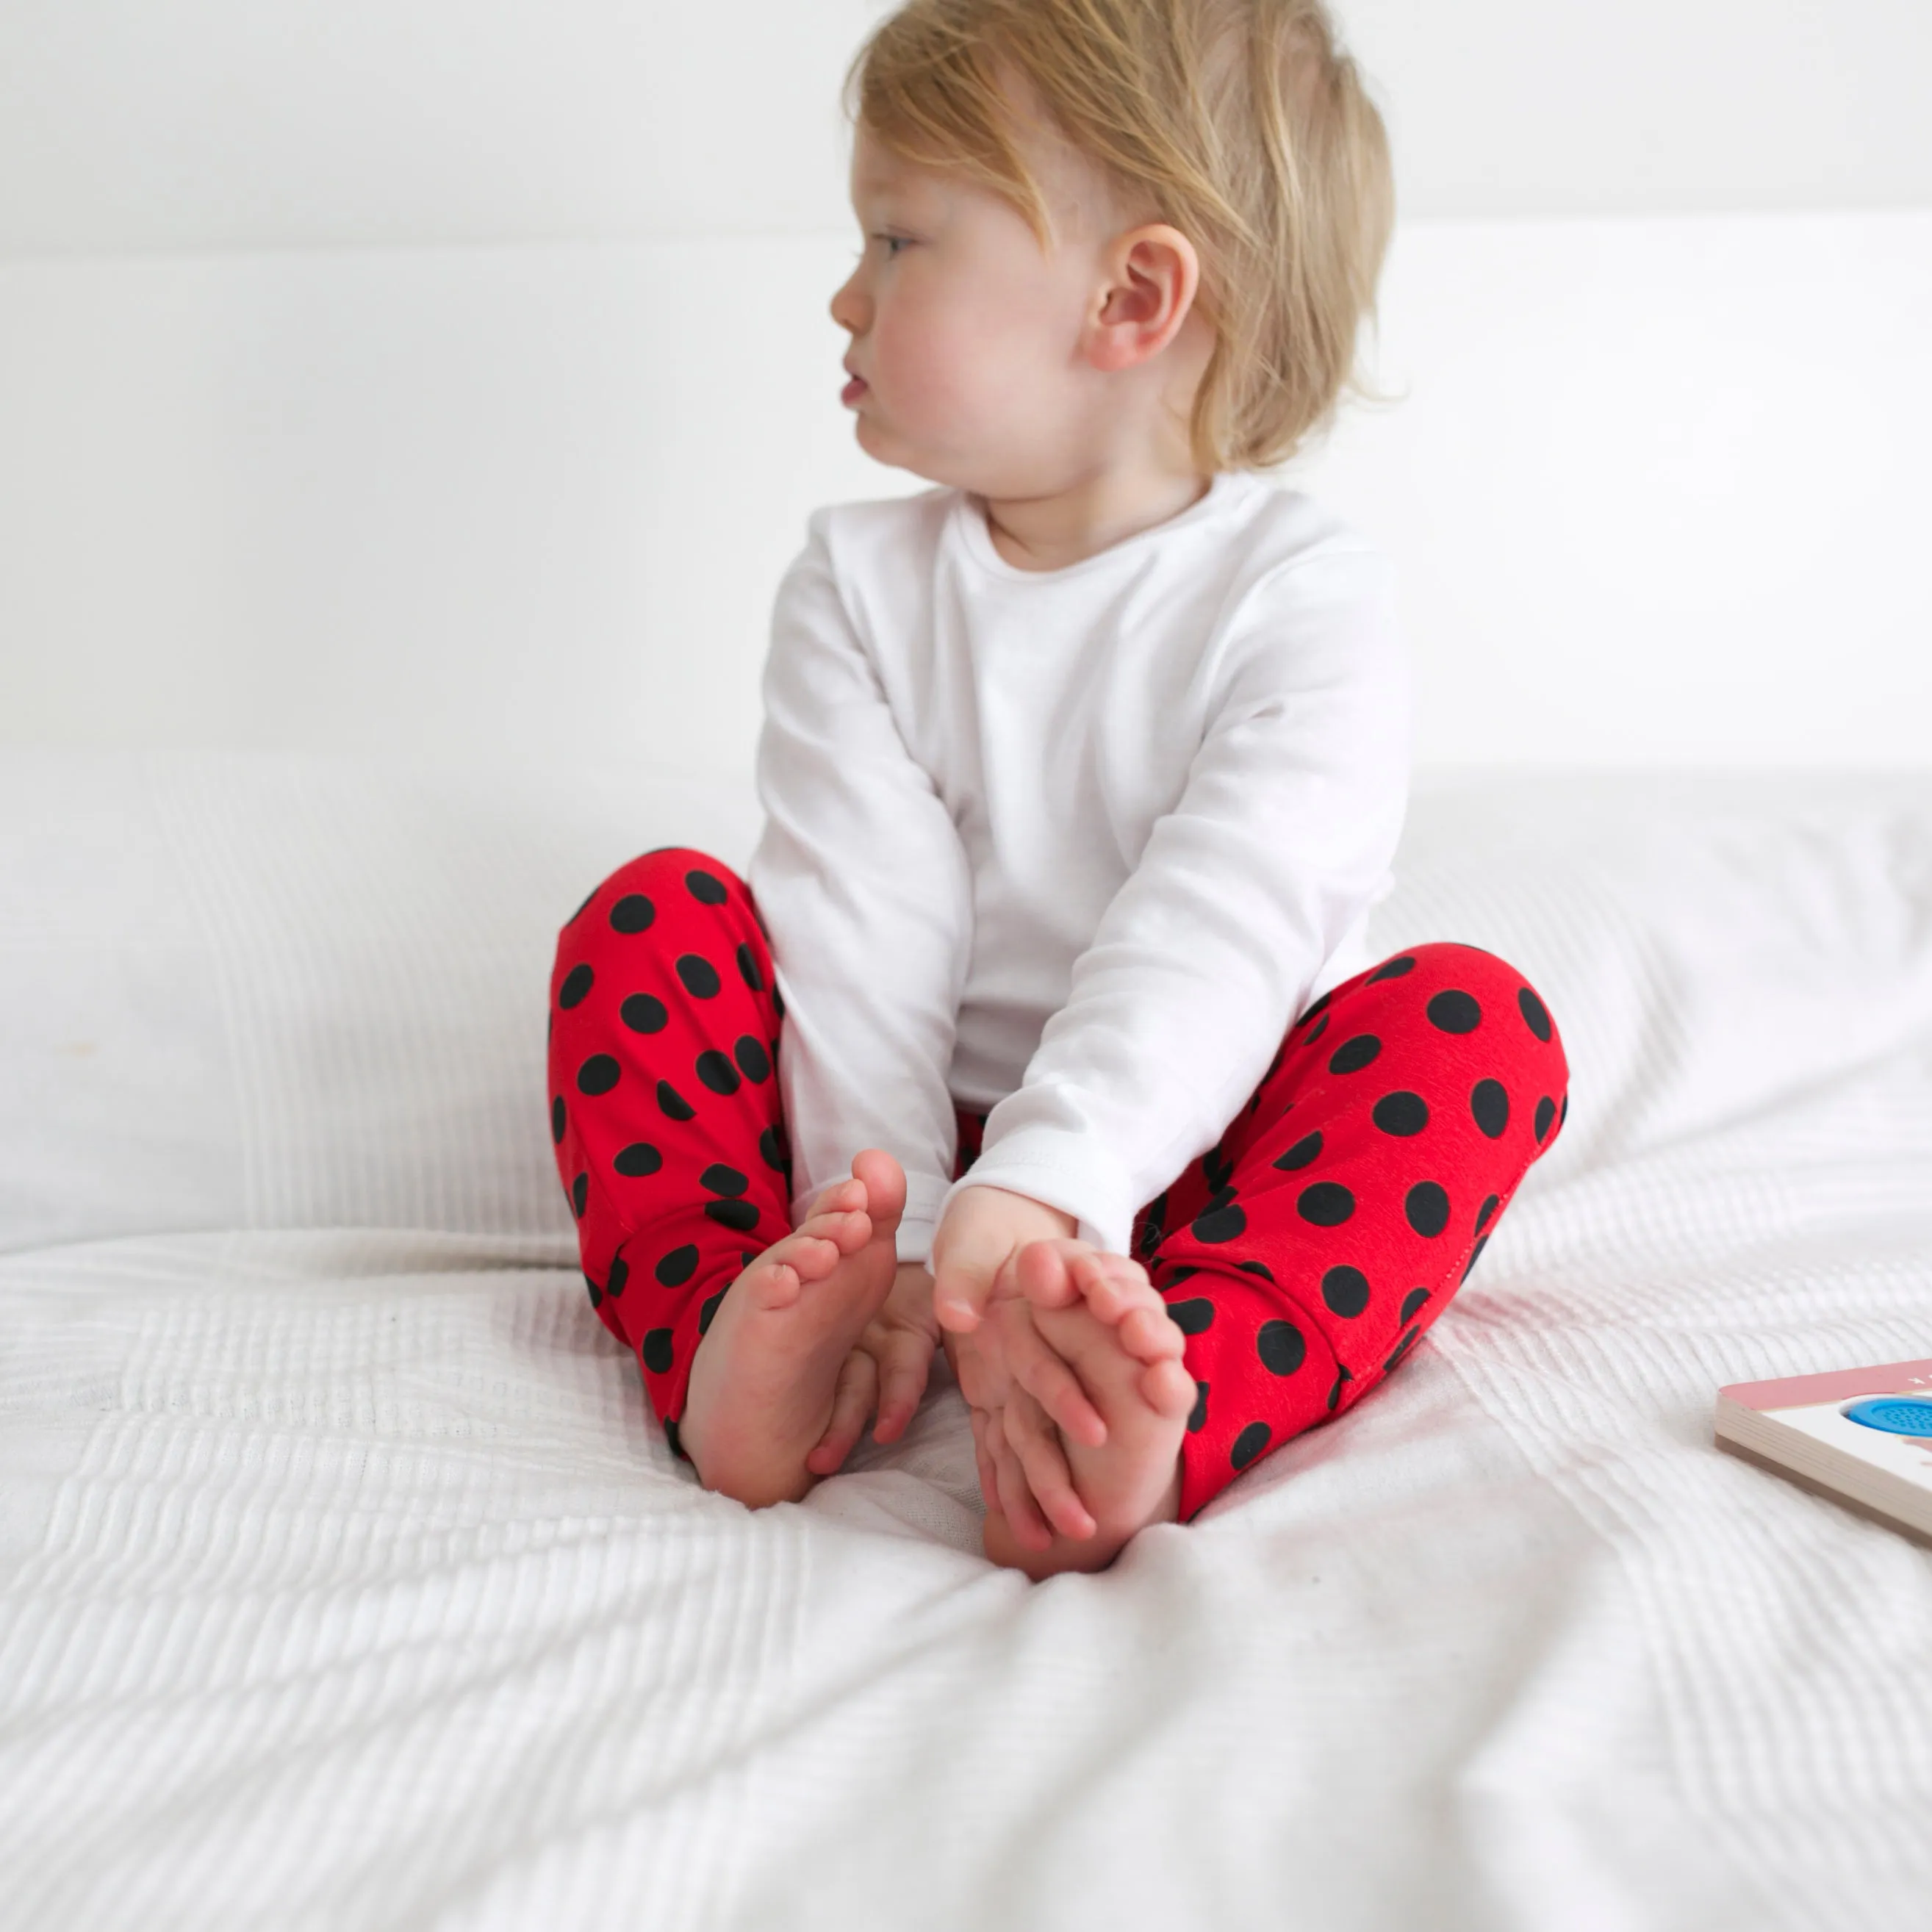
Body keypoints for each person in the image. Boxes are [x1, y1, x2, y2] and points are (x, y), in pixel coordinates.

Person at [547, 0, 1569, 1579]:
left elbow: (1230, 922)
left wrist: (1056, 1188)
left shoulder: (1303, 602)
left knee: (1468, 1027)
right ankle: (732, 1353)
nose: (844, 293)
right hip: (895, 1152)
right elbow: (857, 926)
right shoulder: (855, 584)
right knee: (652, 920)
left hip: (1188, 1153)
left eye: (898, 241)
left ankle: (1160, 1406)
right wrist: (884, 1229)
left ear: (1130, 298)